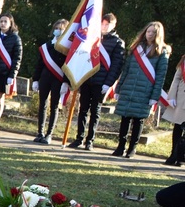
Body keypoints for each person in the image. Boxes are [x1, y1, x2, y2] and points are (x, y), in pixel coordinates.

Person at [111, 22, 170, 159]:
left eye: (152, 32)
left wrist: (154, 97)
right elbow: (126, 70)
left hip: (145, 91)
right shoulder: (136, 48)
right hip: (128, 88)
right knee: (125, 118)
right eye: (148, 31)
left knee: (138, 120)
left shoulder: (162, 53)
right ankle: (120, 146)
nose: (149, 34)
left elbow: (160, 77)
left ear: (157, 35)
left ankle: (132, 148)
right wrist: (118, 88)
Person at [68, 13, 125, 151]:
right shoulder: (92, 37)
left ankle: (90, 140)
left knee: (95, 111)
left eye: (107, 24)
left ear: (113, 25)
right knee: (83, 110)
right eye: (103, 23)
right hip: (87, 78)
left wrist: (108, 83)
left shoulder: (118, 43)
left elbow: (117, 66)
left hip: (102, 81)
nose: (104, 26)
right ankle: (79, 138)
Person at [31, 19, 70, 144]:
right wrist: (35, 79)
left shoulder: (67, 47)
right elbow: (40, 64)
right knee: (42, 105)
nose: (58, 31)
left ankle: (49, 134)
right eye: (56, 28)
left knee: (54, 106)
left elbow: (68, 66)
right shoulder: (47, 45)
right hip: (45, 78)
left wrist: (66, 81)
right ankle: (40, 132)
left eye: (61, 29)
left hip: (58, 80)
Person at [162, 54, 185, 166]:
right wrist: (171, 96)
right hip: (182, 98)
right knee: (178, 128)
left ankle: (181, 156)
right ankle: (173, 155)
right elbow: (176, 78)